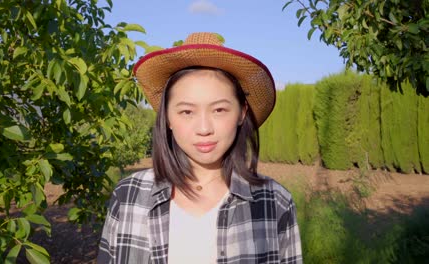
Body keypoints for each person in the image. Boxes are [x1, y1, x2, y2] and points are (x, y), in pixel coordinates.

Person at [97, 32, 302, 264]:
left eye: (219, 110)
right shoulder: (129, 195)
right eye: (186, 112)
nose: (204, 128)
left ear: (242, 113)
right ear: (168, 118)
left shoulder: (275, 202)